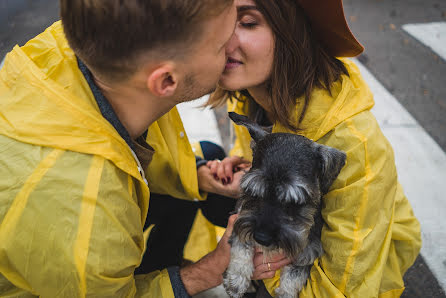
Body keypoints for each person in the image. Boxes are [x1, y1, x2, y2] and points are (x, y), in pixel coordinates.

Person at [0, 0, 290, 296]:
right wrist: (208, 270)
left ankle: (162, 262)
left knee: (207, 153)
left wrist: (198, 174)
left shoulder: (101, 35)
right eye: (219, 45)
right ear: (166, 80)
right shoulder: (87, 220)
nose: (233, 45)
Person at [206, 0, 422, 297]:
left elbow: (343, 288)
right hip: (289, 243)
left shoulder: (353, 142)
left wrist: (260, 272)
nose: (223, 38)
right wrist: (248, 180)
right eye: (219, 21)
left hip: (357, 267)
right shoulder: (251, 99)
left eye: (247, 23)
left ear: (290, 33)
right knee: (207, 167)